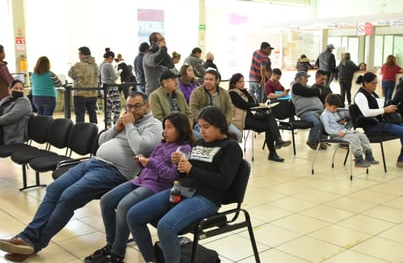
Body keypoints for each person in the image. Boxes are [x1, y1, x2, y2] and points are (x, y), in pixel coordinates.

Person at [0, 91, 163, 262]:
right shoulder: (127, 121)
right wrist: (117, 128)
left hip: (115, 171)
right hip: (92, 163)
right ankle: (27, 237)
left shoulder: (154, 125)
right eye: (129, 106)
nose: (132, 110)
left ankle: (34, 243)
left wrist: (129, 126)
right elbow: (102, 141)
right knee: (54, 189)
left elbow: (141, 148)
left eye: (137, 106)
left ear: (147, 106)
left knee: (68, 197)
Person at [126, 106, 243, 263]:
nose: (201, 131)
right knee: (134, 215)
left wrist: (191, 169)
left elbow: (223, 182)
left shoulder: (231, 147)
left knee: (166, 226)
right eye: (199, 126)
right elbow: (185, 175)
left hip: (207, 197)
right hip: (183, 190)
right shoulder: (199, 143)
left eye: (206, 127)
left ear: (220, 125)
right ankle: (152, 260)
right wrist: (180, 165)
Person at [84, 112, 194, 263]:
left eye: (169, 128)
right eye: (164, 127)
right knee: (106, 201)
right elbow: (151, 165)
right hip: (141, 180)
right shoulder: (162, 143)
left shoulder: (184, 148)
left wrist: (151, 163)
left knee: (123, 206)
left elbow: (173, 177)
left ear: (181, 129)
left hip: (159, 186)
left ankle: (117, 252)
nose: (165, 131)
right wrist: (142, 162)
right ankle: (112, 243)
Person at [354, 72, 403, 168]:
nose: (376, 86)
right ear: (365, 83)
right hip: (372, 126)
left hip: (381, 122)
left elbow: (379, 107)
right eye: (373, 83)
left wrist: (388, 108)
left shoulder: (372, 94)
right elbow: (366, 113)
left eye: (377, 83)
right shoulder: (360, 95)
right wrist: (384, 110)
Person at [229, 73, 290, 162]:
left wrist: (258, 103)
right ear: (234, 83)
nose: (242, 83)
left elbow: (252, 102)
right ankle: (274, 148)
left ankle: (277, 142)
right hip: (243, 119)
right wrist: (258, 104)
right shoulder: (232, 93)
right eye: (240, 82)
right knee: (269, 127)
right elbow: (244, 105)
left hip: (251, 116)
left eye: (243, 81)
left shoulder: (244, 92)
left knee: (270, 116)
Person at [320, 93, 379, 167]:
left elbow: (335, 123)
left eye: (336, 108)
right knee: (354, 138)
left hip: (344, 131)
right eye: (334, 108)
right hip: (336, 135)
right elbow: (328, 129)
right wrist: (337, 132)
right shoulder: (325, 115)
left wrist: (341, 123)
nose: (335, 110)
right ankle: (358, 159)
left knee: (362, 135)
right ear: (327, 105)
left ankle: (369, 156)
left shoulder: (333, 112)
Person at [189, 69, 242, 141]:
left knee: (237, 135)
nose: (207, 81)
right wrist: (202, 121)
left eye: (211, 80)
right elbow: (193, 109)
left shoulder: (224, 93)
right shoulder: (197, 92)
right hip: (202, 123)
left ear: (217, 81)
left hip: (221, 122)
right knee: (211, 137)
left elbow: (230, 108)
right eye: (206, 79)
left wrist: (226, 122)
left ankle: (228, 151)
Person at [291, 71, 327, 150]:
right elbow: (308, 92)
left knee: (326, 119)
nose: (307, 80)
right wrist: (316, 91)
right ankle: (311, 141)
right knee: (316, 122)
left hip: (315, 110)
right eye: (306, 78)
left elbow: (313, 91)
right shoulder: (295, 86)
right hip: (305, 112)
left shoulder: (306, 86)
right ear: (301, 79)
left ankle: (319, 141)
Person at [68, 46, 99, 124]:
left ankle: (80, 132)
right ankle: (94, 130)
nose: (79, 56)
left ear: (83, 54)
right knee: (92, 113)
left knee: (80, 115)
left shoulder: (78, 65)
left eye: (79, 54)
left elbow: (70, 74)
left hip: (80, 93)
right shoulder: (95, 65)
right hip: (93, 93)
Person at [0, 79, 32, 145]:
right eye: (16, 88)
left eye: (21, 89)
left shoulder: (24, 102)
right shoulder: (6, 99)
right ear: (9, 89)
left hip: (12, 136)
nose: (18, 90)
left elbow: (11, 117)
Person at [143, 32, 174, 96]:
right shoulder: (147, 56)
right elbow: (155, 61)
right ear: (153, 43)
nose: (163, 42)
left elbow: (171, 65)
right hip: (153, 93)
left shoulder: (162, 53)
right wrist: (162, 49)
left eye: (163, 39)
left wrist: (164, 50)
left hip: (164, 92)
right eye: (160, 40)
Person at [100, 51, 121, 128]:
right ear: (110, 57)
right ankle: (116, 123)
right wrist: (119, 73)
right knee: (117, 106)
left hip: (104, 88)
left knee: (108, 107)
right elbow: (115, 77)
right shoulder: (109, 65)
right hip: (112, 88)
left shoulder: (101, 65)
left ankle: (108, 124)